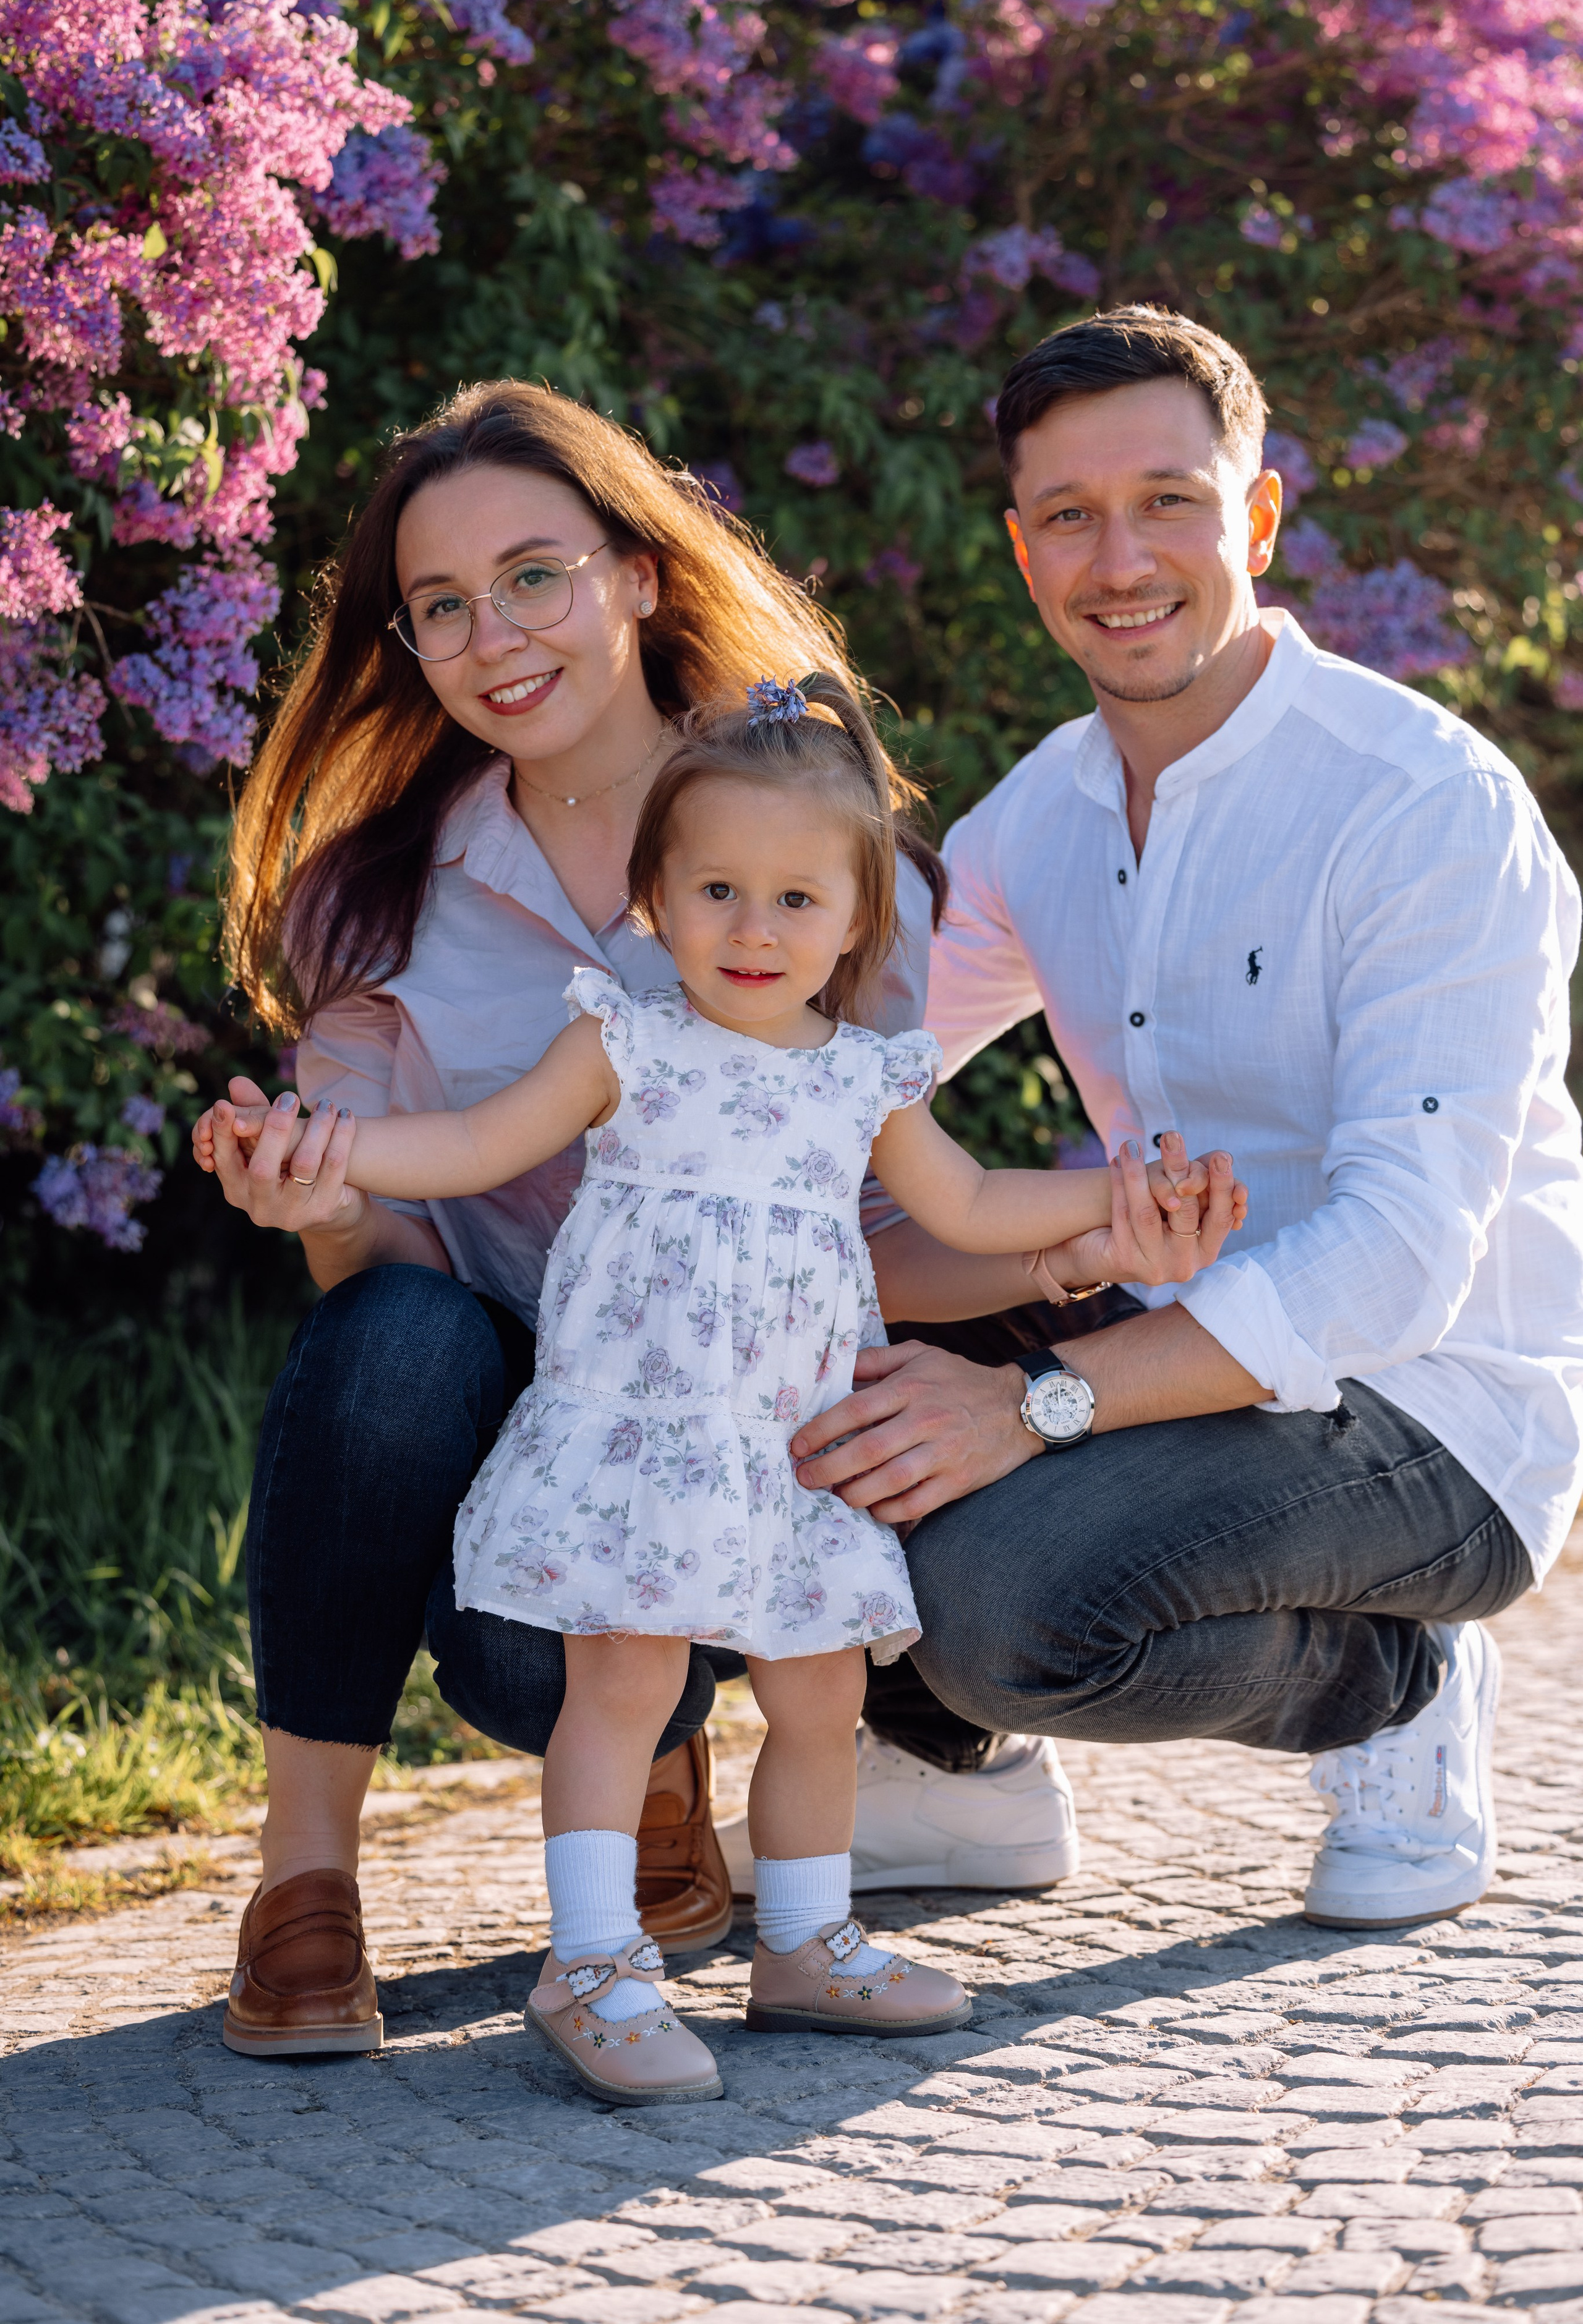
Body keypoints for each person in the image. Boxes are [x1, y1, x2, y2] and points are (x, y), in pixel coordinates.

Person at [208, 672, 1244, 2092]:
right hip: (637, 1433)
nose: (753, 930)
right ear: (655, 898)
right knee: (621, 1680)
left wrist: (1104, 1218)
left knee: (817, 1690)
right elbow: (462, 1145)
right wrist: (319, 1148)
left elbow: (966, 1203)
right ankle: (592, 1965)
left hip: (788, 1445)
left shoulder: (862, 1080)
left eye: (795, 901)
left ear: (855, 920)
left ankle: (804, 1941)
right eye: (715, 891)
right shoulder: (623, 1043)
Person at [776, 304, 1583, 1933]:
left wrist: (1031, 1406)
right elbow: (823, 1058)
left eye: (1168, 501)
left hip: (1440, 1408)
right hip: (1176, 1317)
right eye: (1069, 515)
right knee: (779, 1302)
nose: (1117, 556)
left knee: (1000, 1597)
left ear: (1260, 518)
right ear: (1021, 551)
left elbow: (1399, 1263)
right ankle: (949, 1769)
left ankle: (1395, 1678)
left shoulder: (1424, 804)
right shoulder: (1045, 813)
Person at [200, 380, 955, 2056]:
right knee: (383, 1329)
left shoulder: (817, 826)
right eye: (443, 606)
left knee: (733, 1611)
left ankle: (671, 1775)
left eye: (535, 575)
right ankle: (307, 1869)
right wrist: (319, 1195)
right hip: (526, 1430)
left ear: (632, 570)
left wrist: (1077, 1291)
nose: (493, 634)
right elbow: (385, 1269)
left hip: (746, 1418)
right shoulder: (369, 890)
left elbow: (894, 1195)